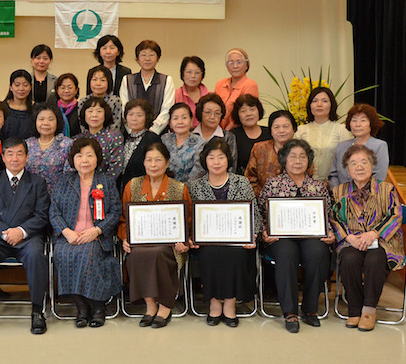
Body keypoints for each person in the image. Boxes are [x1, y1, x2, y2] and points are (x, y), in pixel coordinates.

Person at [0, 138, 51, 334]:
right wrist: (6, 234)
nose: (15, 158)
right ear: (3, 157)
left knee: (35, 255)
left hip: (28, 237)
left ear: (26, 157)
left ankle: (37, 311)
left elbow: (42, 215)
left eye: (19, 153)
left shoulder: (38, 182)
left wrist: (21, 232)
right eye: (10, 154)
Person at [258, 139, 334, 333]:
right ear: (284, 160)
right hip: (281, 237)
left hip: (311, 236)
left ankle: (310, 309)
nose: (298, 161)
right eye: (293, 156)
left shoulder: (318, 187)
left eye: (302, 157)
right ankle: (290, 311)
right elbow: (260, 214)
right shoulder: (273, 184)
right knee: (286, 254)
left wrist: (330, 232)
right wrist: (265, 232)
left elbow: (328, 216)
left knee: (318, 253)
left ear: (308, 161)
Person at [186, 138, 261, 328]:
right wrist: (191, 237)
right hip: (207, 241)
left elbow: (254, 214)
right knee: (210, 253)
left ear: (228, 160)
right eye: (211, 158)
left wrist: (252, 235)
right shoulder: (195, 186)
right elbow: (190, 218)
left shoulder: (241, 182)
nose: (216, 162)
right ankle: (214, 303)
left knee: (235, 253)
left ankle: (229, 303)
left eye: (221, 157)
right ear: (205, 161)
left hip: (237, 239)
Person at [330, 144, 405, 332]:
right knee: (349, 258)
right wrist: (348, 237)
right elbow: (333, 218)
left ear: (372, 166)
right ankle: (354, 310)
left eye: (364, 162)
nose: (359, 167)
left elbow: (396, 215)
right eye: (353, 163)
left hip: (382, 241)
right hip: (352, 241)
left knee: (375, 258)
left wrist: (374, 233)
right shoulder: (339, 191)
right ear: (347, 169)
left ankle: (369, 311)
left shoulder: (387, 189)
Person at [118, 143, 192, 328]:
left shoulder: (179, 188)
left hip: (170, 245)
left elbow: (188, 221)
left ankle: (165, 306)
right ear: (143, 163)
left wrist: (184, 241)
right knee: (137, 254)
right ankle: (150, 306)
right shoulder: (132, 185)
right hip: (140, 242)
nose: (153, 164)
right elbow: (123, 219)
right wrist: (125, 238)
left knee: (157, 253)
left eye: (158, 160)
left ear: (167, 163)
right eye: (149, 160)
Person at [50, 138, 122, 328]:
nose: (85, 160)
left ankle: (98, 308)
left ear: (97, 159)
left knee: (89, 254)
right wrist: (66, 232)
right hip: (70, 237)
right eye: (80, 155)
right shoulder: (64, 181)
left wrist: (97, 230)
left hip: (96, 237)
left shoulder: (105, 182)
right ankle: (82, 307)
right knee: (63, 254)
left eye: (90, 155)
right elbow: (54, 211)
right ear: (73, 160)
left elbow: (116, 211)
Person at [294, 87, 353, 181]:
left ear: (332, 105)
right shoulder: (300, 131)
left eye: (324, 101)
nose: (319, 104)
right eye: (315, 101)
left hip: (333, 186)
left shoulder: (341, 130)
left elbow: (347, 162)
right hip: (304, 186)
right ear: (310, 105)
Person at [118, 40, 176, 135]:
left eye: (152, 55)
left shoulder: (166, 80)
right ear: (137, 59)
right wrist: (132, 130)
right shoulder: (127, 80)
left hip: (158, 134)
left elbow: (167, 109)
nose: (147, 59)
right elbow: (124, 108)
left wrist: (154, 130)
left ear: (158, 58)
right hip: (133, 133)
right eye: (143, 55)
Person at [245, 111, 306, 197]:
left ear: (294, 129)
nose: (281, 131)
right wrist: (265, 197)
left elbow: (309, 176)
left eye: (286, 126)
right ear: (270, 130)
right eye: (276, 127)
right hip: (263, 201)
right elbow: (250, 179)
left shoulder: (302, 149)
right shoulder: (259, 148)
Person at [329, 103, 389, 189]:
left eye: (363, 120)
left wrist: (358, 196)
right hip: (340, 197)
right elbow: (332, 175)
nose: (357, 124)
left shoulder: (380, 146)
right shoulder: (341, 146)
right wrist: (338, 193)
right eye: (354, 120)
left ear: (371, 124)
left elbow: (379, 177)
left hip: (368, 198)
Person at [25, 103, 74, 193]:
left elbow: (69, 176)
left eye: (50, 119)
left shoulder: (67, 144)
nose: (46, 123)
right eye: (41, 119)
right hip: (30, 197)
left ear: (57, 122)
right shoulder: (27, 144)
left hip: (57, 197)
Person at [73, 97, 122, 181]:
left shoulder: (114, 137)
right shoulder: (77, 139)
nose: (94, 115)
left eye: (99, 111)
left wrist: (99, 186)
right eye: (90, 111)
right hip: (79, 187)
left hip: (105, 187)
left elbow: (116, 168)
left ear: (105, 114)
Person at [119, 99, 162, 190]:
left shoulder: (152, 139)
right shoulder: (122, 138)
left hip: (144, 190)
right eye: (130, 114)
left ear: (147, 117)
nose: (134, 118)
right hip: (123, 190)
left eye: (139, 115)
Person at [214, 48, 258, 130]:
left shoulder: (250, 84)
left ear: (246, 65)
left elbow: (245, 112)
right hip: (217, 129)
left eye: (239, 62)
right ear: (227, 66)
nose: (235, 66)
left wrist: (226, 133)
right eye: (231, 63)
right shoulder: (220, 84)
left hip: (239, 130)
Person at [193, 94, 238, 172]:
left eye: (217, 113)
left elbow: (231, 167)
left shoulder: (228, 137)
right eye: (208, 112)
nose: (212, 117)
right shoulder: (190, 135)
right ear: (200, 113)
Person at [160, 103, 206, 182]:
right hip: (163, 187)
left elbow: (198, 174)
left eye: (184, 118)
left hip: (188, 190)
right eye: (175, 118)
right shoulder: (165, 139)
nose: (180, 122)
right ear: (170, 123)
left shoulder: (200, 143)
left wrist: (178, 190)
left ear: (191, 121)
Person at [230, 94, 272, 174]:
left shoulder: (269, 132)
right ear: (237, 115)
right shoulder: (233, 136)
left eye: (252, 109)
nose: (248, 114)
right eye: (243, 111)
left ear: (258, 111)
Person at [78, 66, 123, 133]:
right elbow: (82, 125)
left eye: (102, 80)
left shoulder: (115, 101)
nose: (98, 83)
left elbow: (115, 126)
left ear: (109, 82)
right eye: (94, 80)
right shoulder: (83, 101)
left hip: (110, 140)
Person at [174, 56, 210, 128]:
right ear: (182, 74)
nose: (193, 76)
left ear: (202, 75)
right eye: (189, 72)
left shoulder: (210, 97)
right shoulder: (175, 95)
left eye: (197, 72)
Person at [1, 69, 34, 140]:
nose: (21, 89)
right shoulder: (2, 108)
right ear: (11, 87)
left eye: (25, 85)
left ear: (30, 87)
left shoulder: (36, 109)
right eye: (17, 85)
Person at [52, 73, 81, 137]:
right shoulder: (52, 109)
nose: (66, 91)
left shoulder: (80, 108)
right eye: (63, 88)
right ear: (57, 90)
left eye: (70, 88)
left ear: (76, 90)